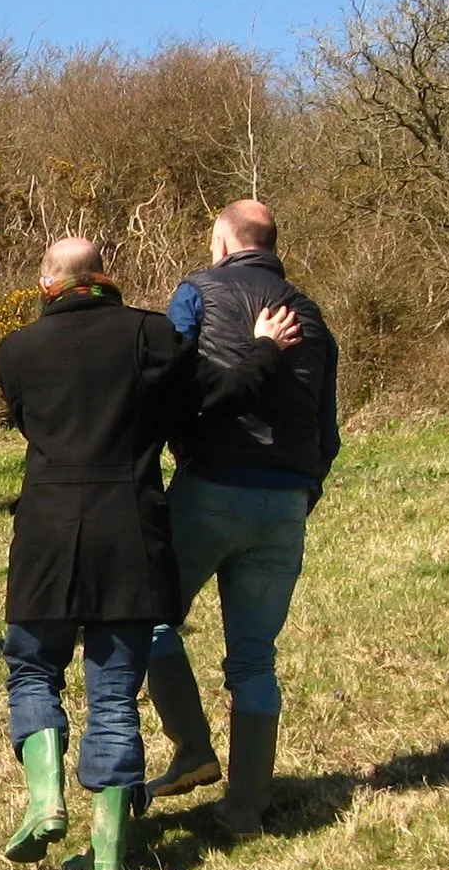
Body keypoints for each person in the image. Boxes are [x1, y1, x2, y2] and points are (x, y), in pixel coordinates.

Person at [0, 236, 300, 870]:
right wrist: (265, 348)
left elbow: (30, 422)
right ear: (105, 276)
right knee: (113, 695)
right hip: (130, 528)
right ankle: (108, 857)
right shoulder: (151, 336)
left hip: (47, 529)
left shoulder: (15, 350)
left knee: (32, 669)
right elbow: (219, 394)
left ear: (46, 284)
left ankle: (45, 801)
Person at [142, 198, 340, 837]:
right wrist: (302, 489)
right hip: (286, 498)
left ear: (224, 243)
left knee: (148, 617)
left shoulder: (198, 292)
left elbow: (170, 383)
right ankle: (247, 807)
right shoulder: (313, 315)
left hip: (212, 484)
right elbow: (327, 429)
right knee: (255, 659)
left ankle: (192, 748)